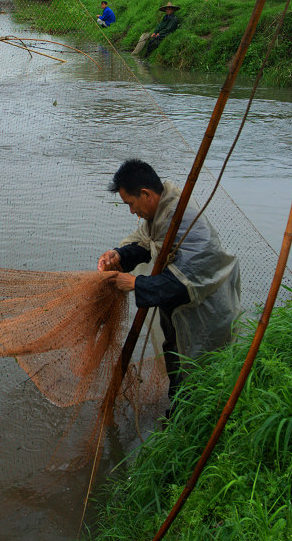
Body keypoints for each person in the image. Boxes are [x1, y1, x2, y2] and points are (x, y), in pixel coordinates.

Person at [98, 159, 241, 404]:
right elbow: (147, 245)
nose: (132, 211)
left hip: (204, 319)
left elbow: (183, 284)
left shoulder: (184, 220)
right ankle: (178, 424)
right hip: (179, 318)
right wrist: (119, 254)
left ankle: (189, 430)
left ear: (146, 194)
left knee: (200, 379)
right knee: (179, 373)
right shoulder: (161, 216)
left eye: (130, 204)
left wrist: (135, 284)